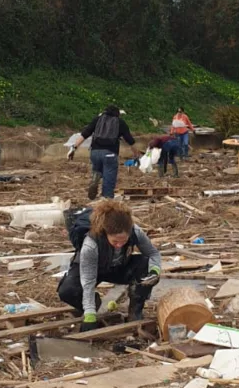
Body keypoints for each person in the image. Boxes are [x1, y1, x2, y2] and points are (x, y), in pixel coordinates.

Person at [58, 200, 162, 329]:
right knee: (68, 291)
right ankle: (90, 305)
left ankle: (135, 310)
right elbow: (88, 281)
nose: (119, 245)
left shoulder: (135, 231)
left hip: (118, 267)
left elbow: (153, 253)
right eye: (115, 241)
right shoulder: (91, 244)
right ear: (106, 233)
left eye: (123, 241)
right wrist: (90, 314)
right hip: (93, 269)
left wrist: (154, 271)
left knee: (145, 265)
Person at [67, 104, 135, 199]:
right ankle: (106, 198)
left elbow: (84, 134)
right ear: (117, 114)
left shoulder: (97, 120)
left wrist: (73, 148)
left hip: (95, 153)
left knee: (97, 169)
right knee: (109, 176)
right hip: (110, 153)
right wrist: (136, 154)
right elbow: (129, 140)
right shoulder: (120, 122)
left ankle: (95, 178)